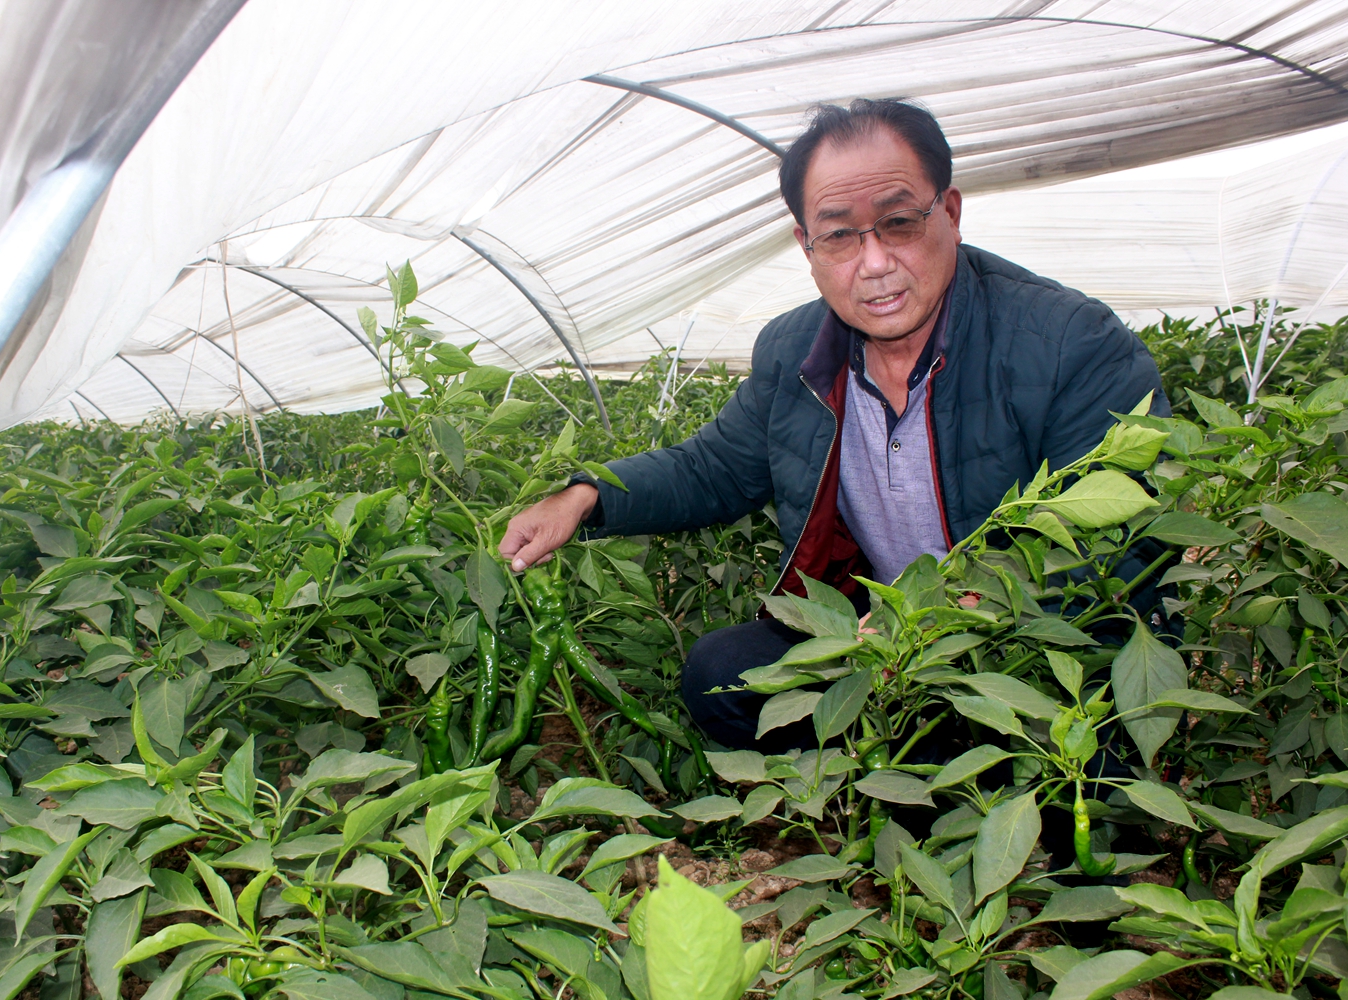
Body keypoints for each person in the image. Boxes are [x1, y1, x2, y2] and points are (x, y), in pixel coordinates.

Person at [498, 99, 1166, 751]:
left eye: (899, 222)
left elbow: (1112, 535)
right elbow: (716, 467)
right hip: (874, 630)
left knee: (1077, 729)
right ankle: (896, 776)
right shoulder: (795, 352)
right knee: (722, 677)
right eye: (841, 234)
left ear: (951, 213)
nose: (874, 262)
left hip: (1026, 636)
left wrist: (947, 615)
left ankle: (956, 780)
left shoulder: (1065, 340)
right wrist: (586, 496)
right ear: (807, 245)